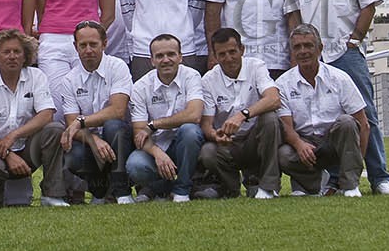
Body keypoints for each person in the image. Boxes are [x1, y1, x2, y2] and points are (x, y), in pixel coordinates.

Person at [284, 0, 389, 195]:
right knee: (327, 120)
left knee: (364, 115)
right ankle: (336, 180)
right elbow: (292, 9)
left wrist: (355, 38)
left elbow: (369, 4)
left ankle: (380, 177)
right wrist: (298, 44)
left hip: (345, 52)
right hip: (314, 55)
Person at [276, 25, 368, 196]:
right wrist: (299, 144)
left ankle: (349, 186)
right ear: (292, 52)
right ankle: (317, 183)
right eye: (297, 47)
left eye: (308, 45)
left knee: (347, 122)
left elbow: (363, 124)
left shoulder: (339, 78)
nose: (303, 51)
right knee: (283, 154)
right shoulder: (282, 84)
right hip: (304, 144)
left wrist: (355, 164)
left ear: (320, 49)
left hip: (335, 141)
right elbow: (286, 127)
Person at [0, 29, 66, 207]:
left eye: (17, 52)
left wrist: (14, 135)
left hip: (27, 148)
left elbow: (47, 114)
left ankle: (52, 195)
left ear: (25, 56)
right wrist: (9, 155)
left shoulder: (37, 76)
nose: (12, 56)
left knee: (55, 129)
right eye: (6, 52)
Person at [197, 28, 281, 199]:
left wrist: (243, 115)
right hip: (228, 143)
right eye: (222, 54)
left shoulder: (256, 66)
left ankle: (268, 186)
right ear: (215, 56)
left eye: (232, 52)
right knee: (207, 151)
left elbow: (274, 99)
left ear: (242, 50)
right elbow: (206, 124)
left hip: (254, 138)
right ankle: (230, 188)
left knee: (271, 118)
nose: (228, 58)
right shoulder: (208, 80)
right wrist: (215, 135)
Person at [58, 20, 135, 204]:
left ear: (105, 43)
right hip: (90, 141)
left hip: (122, 138)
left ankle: (122, 192)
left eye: (93, 44)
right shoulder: (69, 80)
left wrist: (81, 121)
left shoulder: (118, 67)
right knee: (73, 155)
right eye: (83, 45)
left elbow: (117, 110)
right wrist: (94, 140)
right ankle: (99, 192)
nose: (88, 50)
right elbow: (71, 124)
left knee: (113, 126)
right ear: (75, 47)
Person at [126, 35, 205, 201]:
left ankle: (181, 191)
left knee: (190, 130)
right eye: (160, 56)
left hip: (184, 146)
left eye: (171, 54)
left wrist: (155, 124)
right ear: (152, 61)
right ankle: (162, 188)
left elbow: (194, 115)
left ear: (180, 57)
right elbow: (139, 133)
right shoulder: (140, 87)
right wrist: (157, 154)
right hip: (155, 147)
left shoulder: (192, 76)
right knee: (135, 165)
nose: (166, 60)